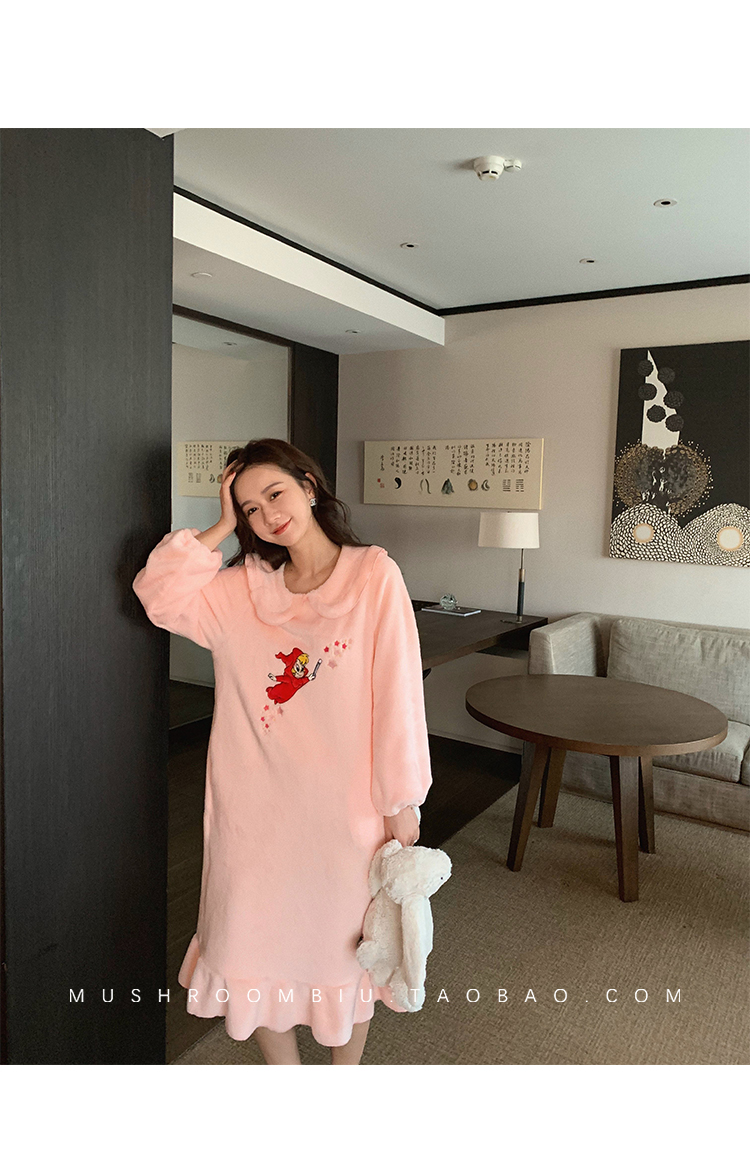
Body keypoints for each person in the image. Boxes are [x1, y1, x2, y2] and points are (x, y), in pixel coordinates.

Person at [132, 438, 433, 1064]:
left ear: (308, 486)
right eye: (249, 508)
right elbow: (157, 594)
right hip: (253, 817)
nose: (267, 515)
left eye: (275, 493)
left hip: (343, 815)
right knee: (248, 946)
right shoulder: (240, 591)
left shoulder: (373, 576)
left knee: (344, 955)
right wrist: (219, 526)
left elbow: (399, 694)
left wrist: (400, 800)